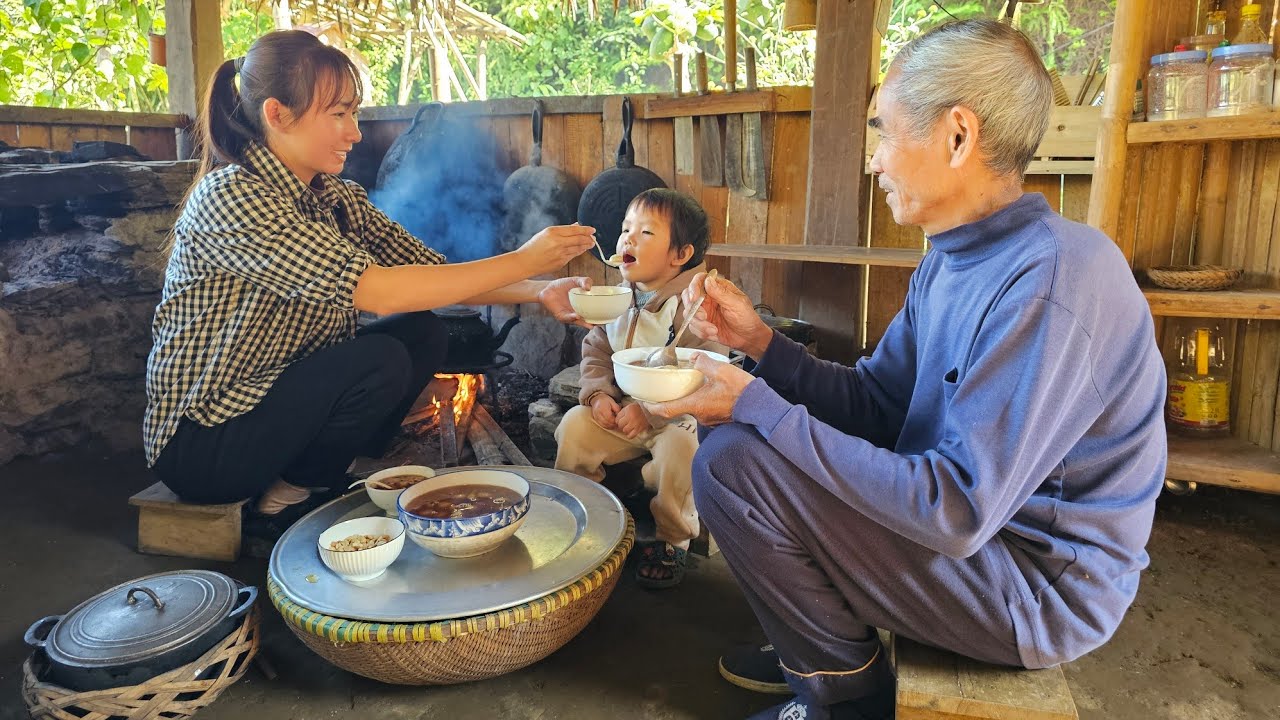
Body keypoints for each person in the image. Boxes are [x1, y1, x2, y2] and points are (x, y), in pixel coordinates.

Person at [644, 19, 1168, 720]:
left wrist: (754, 404)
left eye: (884, 133)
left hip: (1035, 588)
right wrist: (763, 345)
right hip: (979, 545)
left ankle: (845, 703)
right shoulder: (952, 259)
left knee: (735, 462)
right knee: (733, 452)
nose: (875, 160)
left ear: (957, 136)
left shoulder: (1052, 281)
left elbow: (955, 512)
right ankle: (827, 663)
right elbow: (877, 405)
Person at [143, 30, 595, 549]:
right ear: (276, 114)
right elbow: (376, 292)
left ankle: (311, 475)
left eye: (355, 114)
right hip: (206, 442)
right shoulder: (232, 198)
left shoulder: (336, 198)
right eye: (338, 114)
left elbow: (430, 273)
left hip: (273, 404)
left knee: (422, 334)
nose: (355, 132)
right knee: (378, 358)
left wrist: (541, 290)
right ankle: (281, 502)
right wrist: (523, 257)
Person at [554, 189, 727, 588]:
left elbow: (707, 375)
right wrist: (598, 395)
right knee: (575, 426)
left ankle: (672, 538)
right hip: (625, 411)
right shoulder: (616, 297)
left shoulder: (694, 305)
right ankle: (584, 516)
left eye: (646, 232)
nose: (628, 239)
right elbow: (596, 349)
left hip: (680, 417)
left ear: (680, 255)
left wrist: (650, 412)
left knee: (682, 451)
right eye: (626, 229)